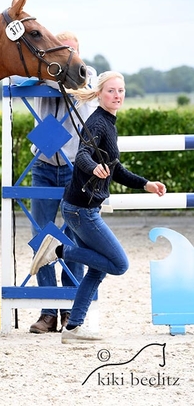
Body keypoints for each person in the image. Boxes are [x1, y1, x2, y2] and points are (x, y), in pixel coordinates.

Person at [30, 71, 167, 343]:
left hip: (81, 208)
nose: (117, 95)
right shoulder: (97, 123)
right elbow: (82, 154)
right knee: (119, 264)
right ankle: (58, 250)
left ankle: (73, 327)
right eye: (111, 91)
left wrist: (146, 184)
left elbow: (116, 170)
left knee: (98, 268)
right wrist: (93, 167)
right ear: (100, 94)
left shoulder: (108, 123)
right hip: (82, 211)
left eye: (121, 91)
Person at [29, 32, 98, 334]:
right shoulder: (43, 72)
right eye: (62, 50)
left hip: (74, 168)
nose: (68, 56)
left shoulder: (86, 74)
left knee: (74, 238)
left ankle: (70, 307)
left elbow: (84, 80)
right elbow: (21, 78)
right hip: (43, 165)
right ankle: (48, 311)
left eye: (73, 51)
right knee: (41, 236)